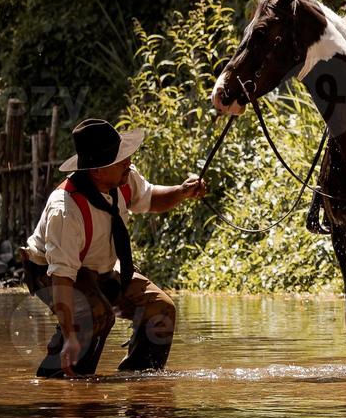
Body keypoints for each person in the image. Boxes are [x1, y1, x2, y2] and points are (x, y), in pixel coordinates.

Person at [19, 118, 207, 377]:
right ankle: (58, 381)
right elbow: (62, 275)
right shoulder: (65, 209)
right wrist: (71, 334)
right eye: (120, 159)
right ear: (97, 170)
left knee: (160, 309)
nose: (128, 162)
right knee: (97, 317)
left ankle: (140, 382)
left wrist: (182, 191)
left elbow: (150, 198)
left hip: (102, 266)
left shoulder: (122, 178)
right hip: (52, 274)